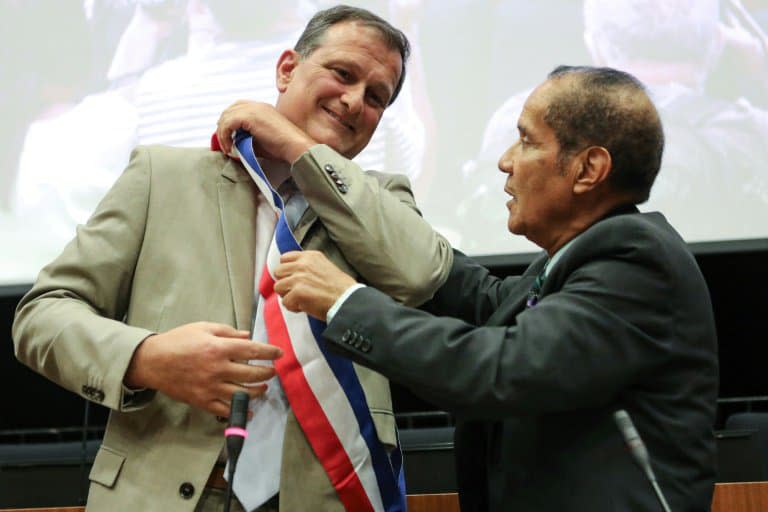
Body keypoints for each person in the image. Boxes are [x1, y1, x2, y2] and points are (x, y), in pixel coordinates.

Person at [13, 5, 452, 512]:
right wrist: (148, 358)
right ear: (287, 69)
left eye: (376, 97)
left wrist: (295, 144)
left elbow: (421, 273)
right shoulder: (163, 176)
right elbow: (42, 315)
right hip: (163, 491)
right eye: (342, 73)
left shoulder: (383, 202)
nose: (355, 101)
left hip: (320, 496)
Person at [269, 66, 719, 511]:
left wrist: (347, 302)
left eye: (526, 140)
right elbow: (477, 295)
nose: (506, 160)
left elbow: (500, 370)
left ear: (588, 169)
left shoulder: (635, 260)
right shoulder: (576, 259)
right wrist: (322, 169)